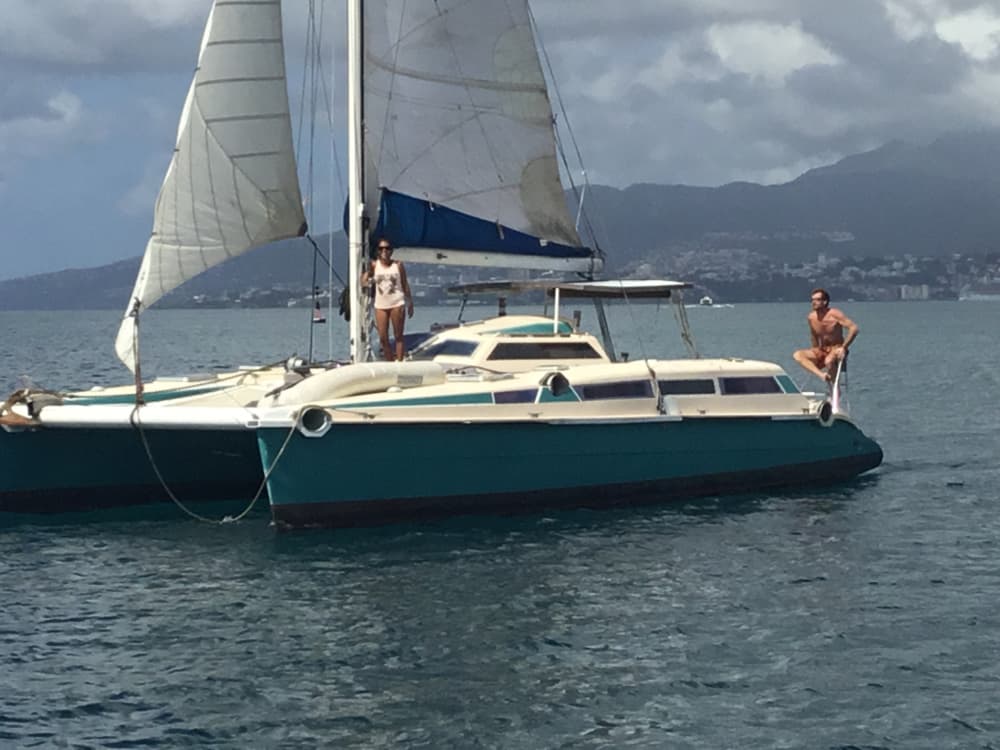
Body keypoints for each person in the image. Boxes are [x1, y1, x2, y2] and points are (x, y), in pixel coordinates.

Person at [361, 238, 414, 361]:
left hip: (397, 302)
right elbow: (364, 278)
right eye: (381, 248)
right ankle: (390, 362)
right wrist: (366, 281)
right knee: (383, 337)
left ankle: (399, 361)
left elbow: (405, 284)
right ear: (378, 251)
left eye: (387, 248)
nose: (384, 251)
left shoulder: (398, 265)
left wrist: (410, 302)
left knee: (398, 335)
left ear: (391, 251)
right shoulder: (374, 265)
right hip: (381, 305)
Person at [793, 288, 858, 383]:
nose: (813, 302)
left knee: (829, 361)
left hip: (837, 348)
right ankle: (822, 375)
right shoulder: (811, 317)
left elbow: (854, 328)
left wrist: (844, 347)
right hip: (822, 349)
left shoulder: (834, 314)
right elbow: (814, 335)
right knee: (798, 355)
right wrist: (814, 349)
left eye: (817, 300)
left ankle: (835, 388)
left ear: (824, 302)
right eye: (812, 300)